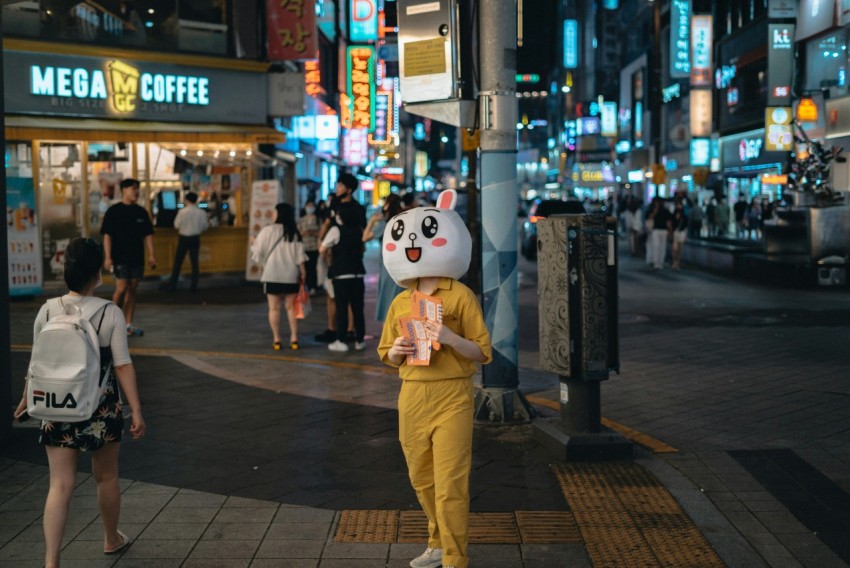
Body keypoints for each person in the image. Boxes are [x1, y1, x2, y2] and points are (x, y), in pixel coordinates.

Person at [14, 237, 145, 568]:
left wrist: (27, 396)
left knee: (59, 483)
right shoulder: (109, 312)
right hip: (100, 407)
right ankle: (111, 538)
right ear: (97, 272)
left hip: (55, 402)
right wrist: (137, 409)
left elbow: (38, 362)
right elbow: (122, 364)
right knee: (107, 476)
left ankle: (51, 559)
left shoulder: (47, 309)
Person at [377, 189, 492, 568]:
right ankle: (438, 540)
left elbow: (482, 351)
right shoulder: (399, 301)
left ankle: (455, 558)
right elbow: (386, 356)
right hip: (411, 395)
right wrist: (396, 352)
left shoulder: (460, 295)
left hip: (453, 395)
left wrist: (450, 338)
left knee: (451, 483)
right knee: (421, 478)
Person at [100, 178, 156, 337]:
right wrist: (108, 257)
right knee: (121, 288)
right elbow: (107, 236)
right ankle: (110, 323)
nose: (135, 191)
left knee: (132, 289)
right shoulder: (114, 211)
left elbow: (148, 236)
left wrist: (152, 255)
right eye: (132, 188)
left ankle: (128, 324)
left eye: (137, 189)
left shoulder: (141, 212)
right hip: (120, 257)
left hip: (137, 256)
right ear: (123, 190)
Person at [251, 203, 307, 350]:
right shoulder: (294, 232)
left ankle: (277, 339)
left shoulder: (267, 231)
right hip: (290, 275)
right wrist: (303, 272)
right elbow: (300, 256)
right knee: (291, 308)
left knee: (274, 308)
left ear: (278, 214)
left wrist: (253, 243)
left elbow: (257, 253)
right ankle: (294, 338)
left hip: (272, 275)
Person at [320, 202, 367, 352]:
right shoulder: (359, 230)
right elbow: (363, 248)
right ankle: (360, 340)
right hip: (358, 274)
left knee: (342, 308)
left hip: (341, 275)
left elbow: (322, 248)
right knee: (358, 309)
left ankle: (341, 340)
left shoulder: (336, 230)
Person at [363, 194, 405, 321]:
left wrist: (372, 221)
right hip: (404, 267)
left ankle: (389, 336)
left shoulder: (385, 224)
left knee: (388, 303)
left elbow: (365, 237)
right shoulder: (402, 222)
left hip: (388, 268)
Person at [164, 192, 208, 292]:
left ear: (186, 200)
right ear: (196, 200)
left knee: (178, 262)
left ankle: (173, 285)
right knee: (194, 263)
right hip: (195, 238)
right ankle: (193, 286)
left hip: (183, 238)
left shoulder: (182, 212)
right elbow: (205, 226)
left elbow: (176, 225)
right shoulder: (201, 212)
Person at [297, 198, 321, 293]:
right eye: (308, 205)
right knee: (304, 268)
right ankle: (305, 285)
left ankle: (313, 286)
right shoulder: (301, 220)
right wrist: (304, 233)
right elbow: (298, 233)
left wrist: (312, 233)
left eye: (312, 206)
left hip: (314, 247)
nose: (310, 207)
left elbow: (321, 232)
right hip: (304, 247)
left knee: (313, 267)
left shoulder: (318, 219)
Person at [645, 197, 671, 269]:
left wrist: (670, 231)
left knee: (662, 247)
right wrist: (655, 211)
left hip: (663, 230)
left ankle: (660, 262)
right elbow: (649, 217)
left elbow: (669, 221)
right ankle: (656, 262)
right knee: (656, 246)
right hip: (655, 230)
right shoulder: (652, 210)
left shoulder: (665, 211)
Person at [671, 200, 688, 270]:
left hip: (681, 232)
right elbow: (672, 223)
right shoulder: (674, 215)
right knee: (674, 249)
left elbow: (685, 225)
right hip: (675, 232)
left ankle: (677, 262)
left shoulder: (684, 216)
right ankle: (674, 262)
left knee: (680, 249)